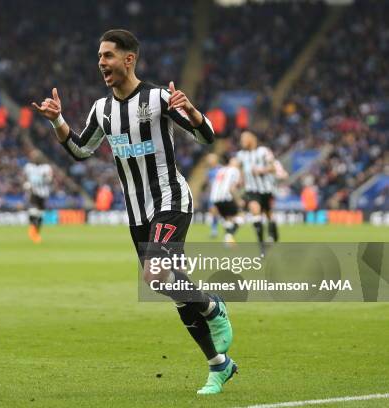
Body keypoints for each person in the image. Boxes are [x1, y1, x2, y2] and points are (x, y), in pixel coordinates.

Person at [32, 29, 236, 395]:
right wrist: (56, 121)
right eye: (99, 57)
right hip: (137, 213)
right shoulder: (101, 110)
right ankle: (218, 365)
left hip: (171, 200)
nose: (101, 63)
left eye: (108, 56)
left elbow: (207, 138)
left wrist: (190, 110)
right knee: (173, 287)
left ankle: (213, 307)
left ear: (129, 59)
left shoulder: (159, 99)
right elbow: (80, 150)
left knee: (155, 274)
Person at [236, 131, 282, 253]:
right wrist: (240, 180)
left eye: (244, 139)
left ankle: (274, 234)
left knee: (268, 214)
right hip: (251, 190)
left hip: (266, 189)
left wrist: (262, 170)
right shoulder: (240, 155)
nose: (242, 142)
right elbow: (241, 170)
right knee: (255, 212)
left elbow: (273, 168)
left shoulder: (263, 151)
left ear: (251, 139)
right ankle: (261, 245)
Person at [209, 157, 244, 245]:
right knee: (241, 216)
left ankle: (228, 242)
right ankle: (228, 236)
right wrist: (238, 200)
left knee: (228, 219)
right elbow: (232, 188)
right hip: (226, 197)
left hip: (215, 198)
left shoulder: (221, 170)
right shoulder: (235, 170)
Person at [23, 150, 53, 243]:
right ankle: (32, 232)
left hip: (43, 193)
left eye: (37, 156)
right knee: (33, 211)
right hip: (32, 192)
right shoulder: (28, 167)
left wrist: (46, 178)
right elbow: (25, 177)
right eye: (33, 156)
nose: (35, 158)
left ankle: (36, 232)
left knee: (40, 214)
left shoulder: (46, 168)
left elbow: (50, 179)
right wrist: (26, 184)